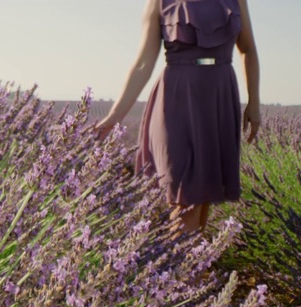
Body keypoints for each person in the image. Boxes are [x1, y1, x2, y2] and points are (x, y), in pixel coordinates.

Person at [93, 0, 261, 234]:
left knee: (202, 200)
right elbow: (143, 63)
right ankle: (177, 267)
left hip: (219, 98)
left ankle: (192, 268)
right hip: (176, 101)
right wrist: (114, 116)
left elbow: (248, 49)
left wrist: (254, 102)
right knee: (186, 197)